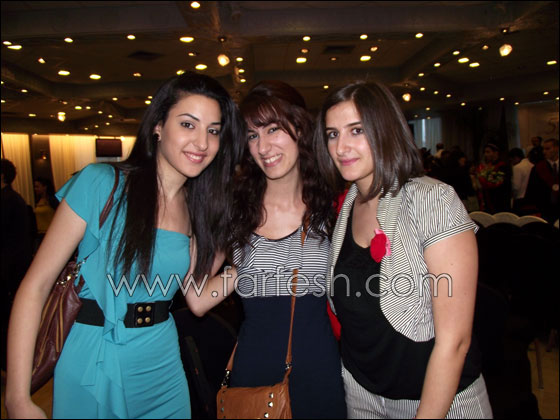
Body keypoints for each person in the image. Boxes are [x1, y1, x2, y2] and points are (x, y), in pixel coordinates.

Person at [5, 72, 243, 419]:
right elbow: (35, 286)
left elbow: (197, 298)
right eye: (188, 124)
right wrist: (17, 397)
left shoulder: (198, 210)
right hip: (96, 355)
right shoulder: (103, 183)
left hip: (162, 363)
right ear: (158, 126)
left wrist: (250, 263)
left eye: (213, 130)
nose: (202, 142)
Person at [314, 81, 492, 418]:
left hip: (438, 400)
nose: (341, 147)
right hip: (362, 394)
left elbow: (455, 341)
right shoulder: (347, 205)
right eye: (332, 134)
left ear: (386, 130)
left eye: (356, 130)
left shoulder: (431, 200)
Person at [186, 80, 347, 419]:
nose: (263, 147)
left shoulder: (331, 206)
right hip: (255, 376)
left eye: (273, 129)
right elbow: (198, 300)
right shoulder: (236, 210)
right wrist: (243, 268)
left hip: (321, 373)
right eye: (252, 135)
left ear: (300, 128)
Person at [1, 159, 34, 370]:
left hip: (9, 268)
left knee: (8, 317)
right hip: (14, 265)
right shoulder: (14, 199)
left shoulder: (8, 200)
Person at [525, 138, 559, 223]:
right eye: (543, 149)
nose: (544, 152)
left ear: (557, 148)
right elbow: (532, 190)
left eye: (547, 149)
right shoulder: (538, 168)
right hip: (546, 211)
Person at [476, 143, 511, 213]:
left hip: (500, 200)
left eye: (488, 152)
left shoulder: (502, 166)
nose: (485, 154)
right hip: (489, 200)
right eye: (485, 152)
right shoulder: (487, 166)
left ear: (495, 153)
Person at [33, 177, 58, 248]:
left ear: (45, 187)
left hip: (50, 233)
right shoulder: (38, 200)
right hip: (40, 234)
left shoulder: (51, 200)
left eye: (37, 187)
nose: (35, 189)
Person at [508, 148, 534, 215]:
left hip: (520, 199)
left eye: (511, 160)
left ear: (516, 158)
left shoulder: (517, 167)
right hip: (531, 198)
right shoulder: (531, 165)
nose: (511, 163)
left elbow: (516, 187)